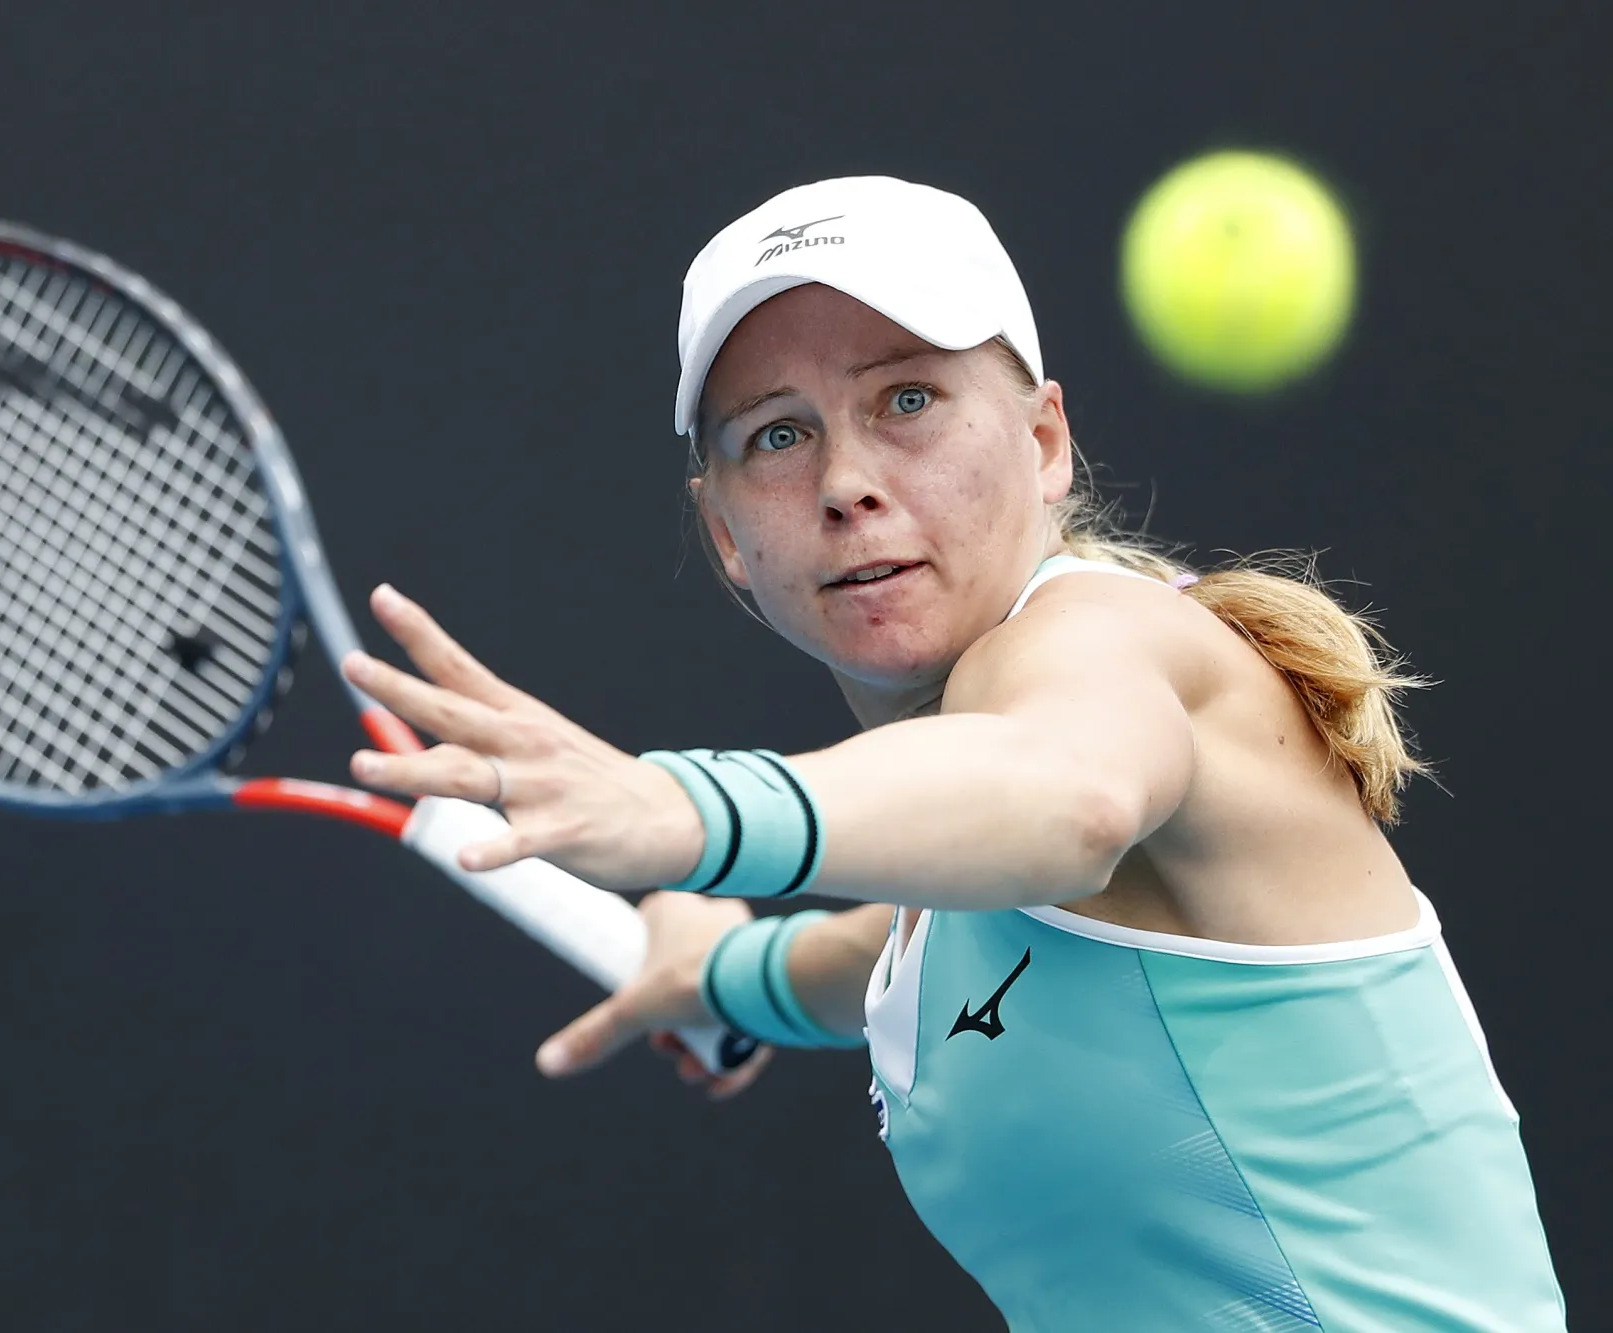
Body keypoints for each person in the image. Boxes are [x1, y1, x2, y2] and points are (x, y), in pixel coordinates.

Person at [339, 176, 1566, 1330]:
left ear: (1042, 442)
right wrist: (724, 972)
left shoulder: (1112, 638)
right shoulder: (946, 891)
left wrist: (681, 805)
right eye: (775, 436)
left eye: (906, 400)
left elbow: (1062, 791)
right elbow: (871, 956)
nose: (847, 482)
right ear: (724, 533)